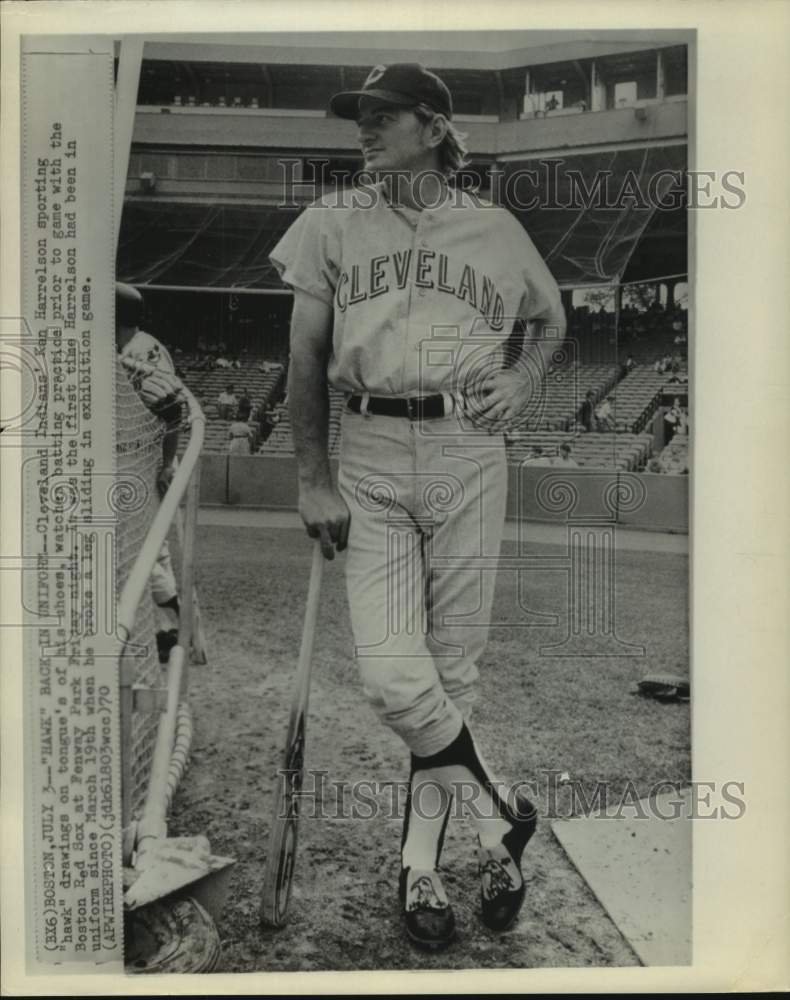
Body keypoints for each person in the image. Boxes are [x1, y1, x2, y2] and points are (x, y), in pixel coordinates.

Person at [270, 63, 565, 951]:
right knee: (398, 678)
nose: (363, 128)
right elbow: (304, 358)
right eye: (359, 115)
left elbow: (550, 320)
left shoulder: (496, 226)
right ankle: (500, 817)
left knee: (453, 673)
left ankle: (421, 865)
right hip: (364, 452)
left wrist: (523, 379)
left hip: (470, 450)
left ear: (434, 126)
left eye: (382, 115)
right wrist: (312, 476)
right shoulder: (330, 221)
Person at [115, 283, 185, 662]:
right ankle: (170, 628)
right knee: (153, 550)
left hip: (144, 461)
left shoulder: (141, 352)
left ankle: (170, 628)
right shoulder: (137, 346)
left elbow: (171, 413)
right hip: (143, 459)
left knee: (144, 550)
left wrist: (166, 463)